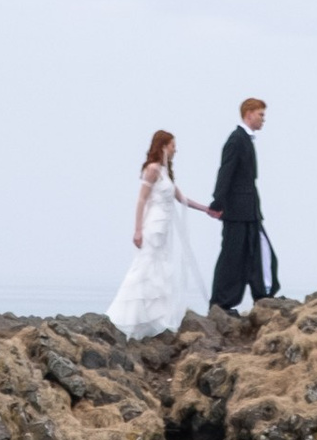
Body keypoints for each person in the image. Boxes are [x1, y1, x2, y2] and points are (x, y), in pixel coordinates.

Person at [107, 129, 216, 339]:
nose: (176, 150)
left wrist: (207, 209)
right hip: (153, 225)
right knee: (145, 268)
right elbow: (141, 200)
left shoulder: (165, 172)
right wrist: (137, 229)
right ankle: (126, 318)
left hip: (164, 228)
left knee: (159, 271)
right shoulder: (153, 169)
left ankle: (153, 320)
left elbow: (182, 198)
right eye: (173, 145)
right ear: (164, 146)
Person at [209, 97, 276, 314]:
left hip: (249, 210)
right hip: (237, 211)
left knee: (259, 252)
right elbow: (225, 172)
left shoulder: (245, 139)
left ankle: (263, 296)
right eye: (261, 115)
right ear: (249, 114)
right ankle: (221, 303)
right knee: (232, 256)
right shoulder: (236, 140)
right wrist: (217, 202)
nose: (263, 119)